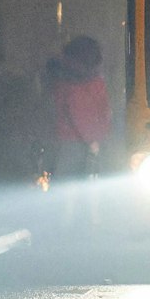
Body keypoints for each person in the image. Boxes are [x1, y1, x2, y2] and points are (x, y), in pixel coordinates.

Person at [48, 36, 109, 227]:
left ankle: (63, 225)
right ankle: (81, 226)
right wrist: (94, 141)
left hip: (69, 141)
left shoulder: (64, 81)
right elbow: (84, 113)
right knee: (83, 188)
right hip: (79, 144)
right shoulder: (87, 83)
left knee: (66, 189)